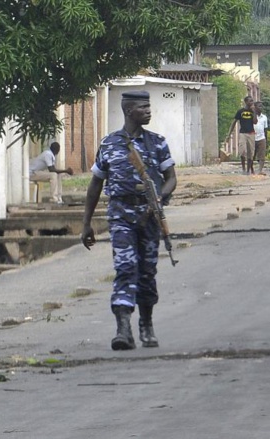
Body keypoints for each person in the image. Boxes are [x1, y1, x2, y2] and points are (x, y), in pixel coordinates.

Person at [81, 90, 177, 351]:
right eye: (143, 107)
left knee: (147, 271)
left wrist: (159, 198)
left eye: (149, 106)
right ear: (128, 111)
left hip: (149, 216)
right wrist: (86, 222)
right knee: (125, 267)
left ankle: (146, 324)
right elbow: (95, 184)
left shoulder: (157, 142)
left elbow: (171, 177)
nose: (148, 111)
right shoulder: (109, 144)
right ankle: (123, 328)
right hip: (121, 215)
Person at [225, 96, 258, 174]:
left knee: (251, 153)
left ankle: (248, 170)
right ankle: (243, 168)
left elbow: (255, 122)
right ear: (246, 102)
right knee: (242, 151)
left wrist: (254, 113)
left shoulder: (252, 112)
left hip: (251, 133)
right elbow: (234, 122)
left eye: (252, 101)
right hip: (243, 133)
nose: (252, 103)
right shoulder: (240, 111)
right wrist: (228, 135)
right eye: (250, 101)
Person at [253, 102, 268, 175]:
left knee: (262, 155)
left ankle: (260, 170)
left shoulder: (264, 117)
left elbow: (265, 129)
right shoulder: (251, 116)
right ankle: (251, 170)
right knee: (252, 155)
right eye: (259, 106)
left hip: (261, 138)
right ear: (255, 107)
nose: (261, 108)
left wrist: (266, 140)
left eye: (261, 106)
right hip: (252, 137)